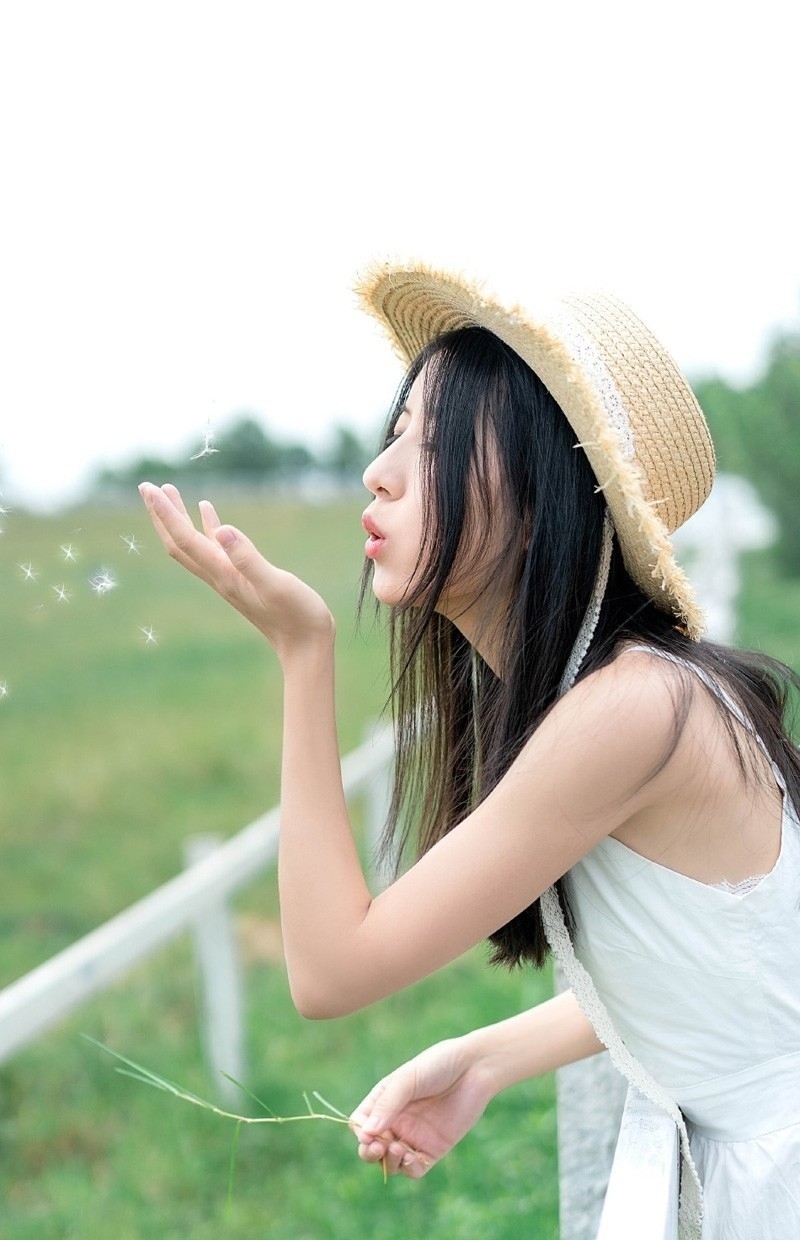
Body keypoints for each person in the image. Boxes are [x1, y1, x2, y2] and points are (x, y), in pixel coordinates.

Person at [139, 262, 800, 1239]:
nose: (381, 468)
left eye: (437, 438)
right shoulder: (620, 698)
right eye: (396, 429)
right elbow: (730, 980)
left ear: (542, 497)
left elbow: (327, 973)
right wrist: (485, 1055)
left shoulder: (631, 712)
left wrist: (301, 648)